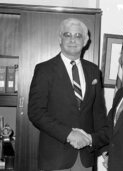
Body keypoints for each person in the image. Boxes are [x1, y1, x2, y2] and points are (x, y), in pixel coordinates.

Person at [28, 18, 108, 171]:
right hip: (55, 158)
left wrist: (104, 149)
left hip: (85, 158)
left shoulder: (93, 71)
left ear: (85, 41)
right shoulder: (44, 70)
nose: (73, 40)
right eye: (67, 35)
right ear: (60, 39)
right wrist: (68, 134)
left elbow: (98, 115)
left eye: (78, 35)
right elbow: (36, 112)